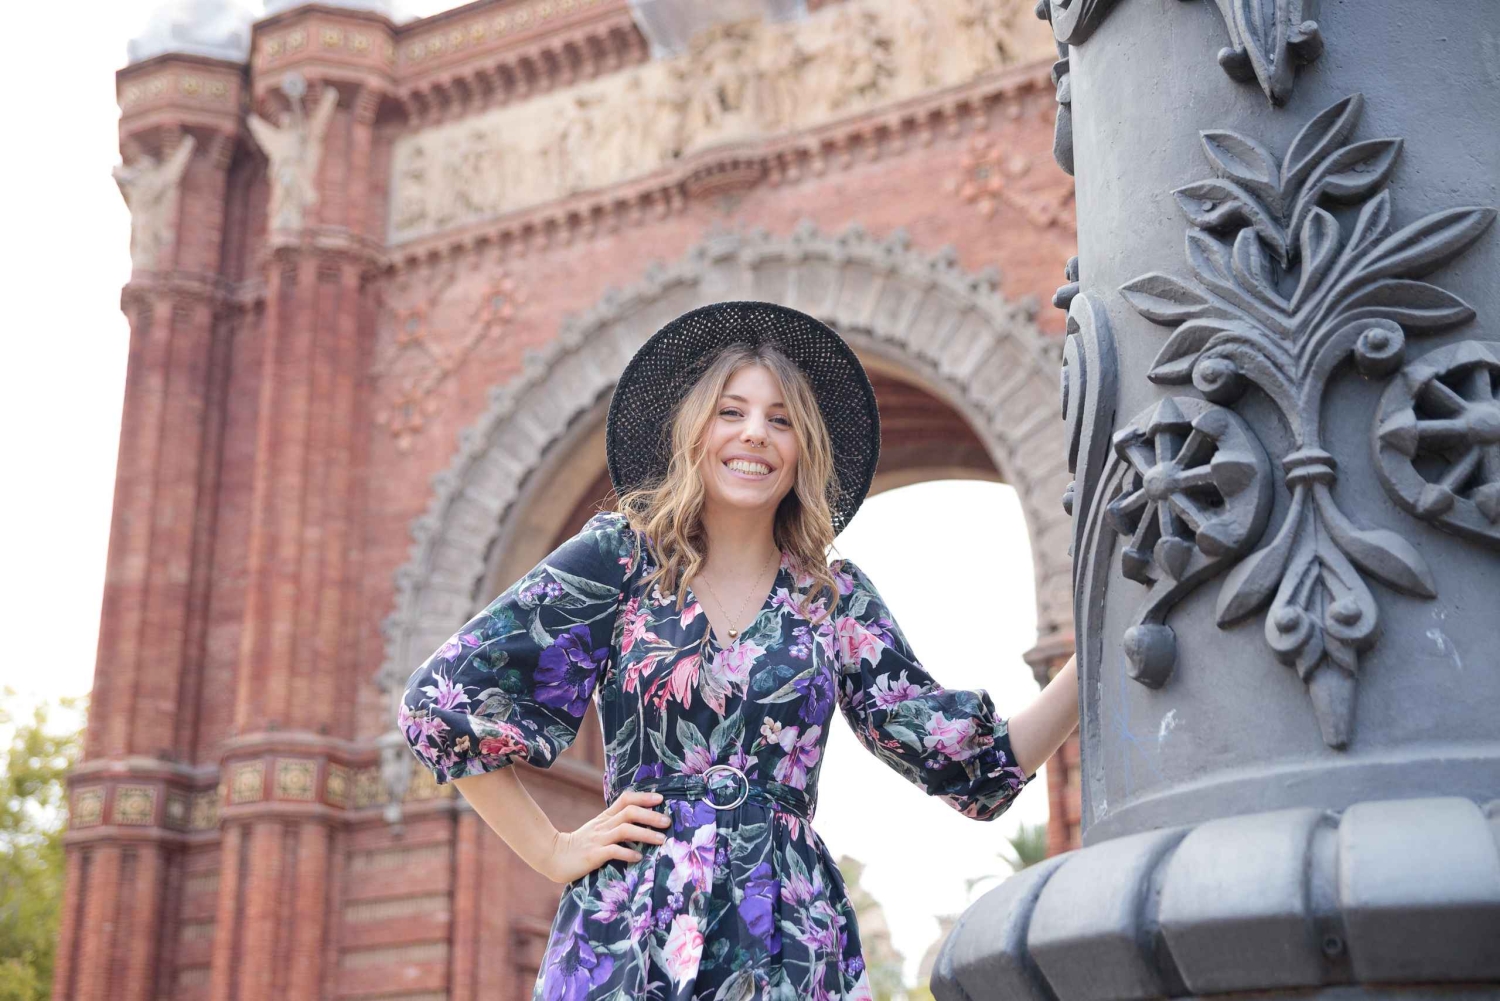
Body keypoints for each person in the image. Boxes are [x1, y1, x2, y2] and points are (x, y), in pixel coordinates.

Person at [398, 301, 1080, 1001]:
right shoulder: (620, 560)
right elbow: (439, 703)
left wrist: (1091, 667)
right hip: (634, 932)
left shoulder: (833, 599)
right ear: (693, 432)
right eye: (731, 412)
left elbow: (971, 766)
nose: (755, 432)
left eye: (781, 420)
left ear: (803, 450)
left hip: (789, 934)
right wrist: (551, 848)